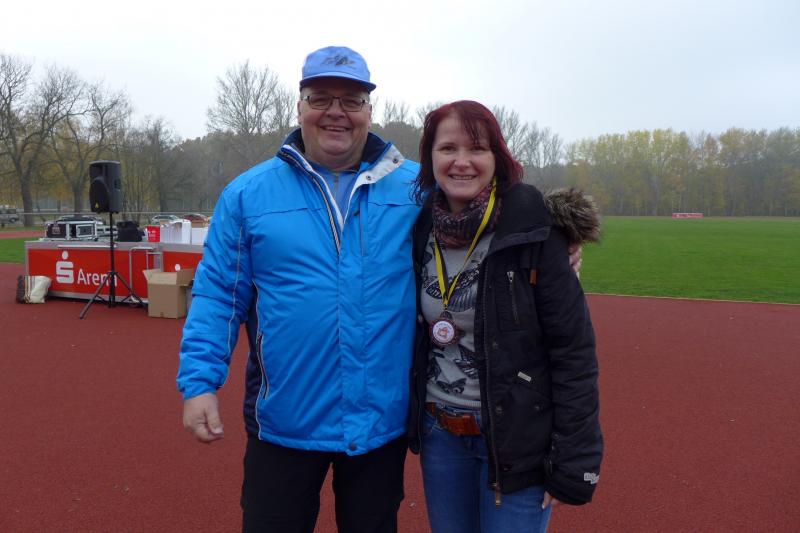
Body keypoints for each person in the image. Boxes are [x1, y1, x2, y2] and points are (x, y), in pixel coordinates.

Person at [178, 46, 421, 532]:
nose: (336, 112)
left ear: (369, 111)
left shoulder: (416, 188)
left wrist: (559, 241)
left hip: (379, 421)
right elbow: (219, 295)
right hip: (285, 420)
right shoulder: (248, 194)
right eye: (321, 98)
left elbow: (488, 224)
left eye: (351, 101)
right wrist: (200, 382)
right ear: (299, 107)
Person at [407, 101, 603, 533]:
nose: (461, 161)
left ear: (497, 158)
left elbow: (573, 351)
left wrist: (574, 456)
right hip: (442, 434)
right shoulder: (418, 229)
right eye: (447, 148)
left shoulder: (535, 232)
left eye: (477, 148)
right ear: (430, 159)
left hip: (518, 438)